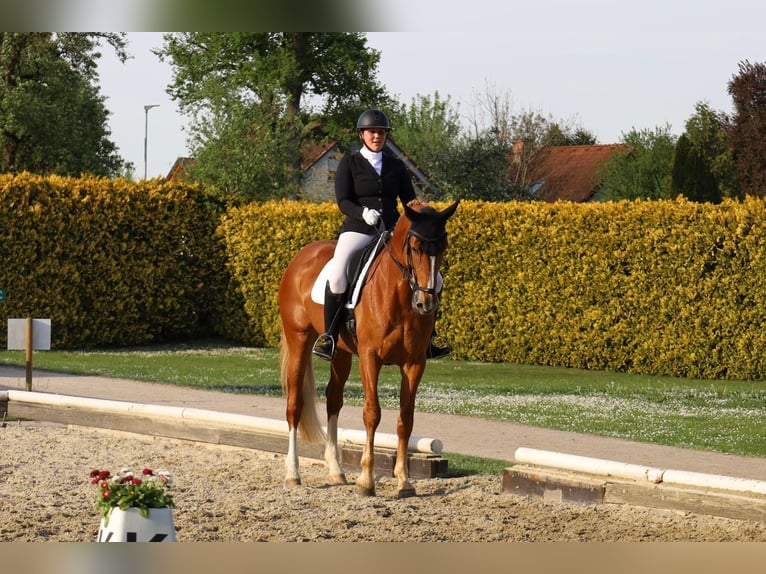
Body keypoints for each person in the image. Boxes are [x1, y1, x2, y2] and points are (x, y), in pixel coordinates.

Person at [312, 108, 452, 361]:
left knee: (436, 280)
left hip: (390, 231)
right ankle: (329, 338)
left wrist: (426, 213)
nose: (376, 136)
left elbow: (410, 200)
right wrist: (362, 212)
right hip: (359, 229)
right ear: (362, 134)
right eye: (372, 132)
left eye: (381, 132)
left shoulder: (396, 165)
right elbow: (343, 200)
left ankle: (430, 338)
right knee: (338, 274)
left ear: (385, 136)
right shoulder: (349, 163)